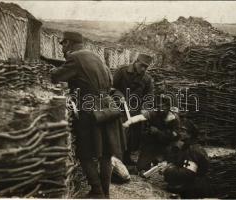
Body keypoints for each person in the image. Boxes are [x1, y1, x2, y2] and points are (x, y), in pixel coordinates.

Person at [50, 31, 126, 198]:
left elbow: (56, 77)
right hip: (108, 106)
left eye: (63, 44)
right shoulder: (96, 56)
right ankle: (105, 193)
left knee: (84, 153)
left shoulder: (75, 57)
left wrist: (50, 69)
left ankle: (97, 191)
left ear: (68, 43)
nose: (62, 47)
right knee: (106, 154)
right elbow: (109, 80)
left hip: (90, 109)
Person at [113, 53, 154, 165]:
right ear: (136, 61)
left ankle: (127, 158)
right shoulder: (122, 71)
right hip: (119, 109)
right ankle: (117, 158)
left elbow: (149, 96)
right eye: (142, 65)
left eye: (146, 67)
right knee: (120, 134)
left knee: (133, 137)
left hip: (135, 112)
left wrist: (145, 108)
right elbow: (112, 87)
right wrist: (119, 95)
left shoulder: (147, 79)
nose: (143, 69)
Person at [123, 95, 182, 171]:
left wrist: (158, 132)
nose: (160, 109)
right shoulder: (154, 113)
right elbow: (140, 117)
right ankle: (155, 159)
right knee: (141, 167)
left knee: (170, 164)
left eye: (163, 107)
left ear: (168, 107)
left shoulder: (174, 119)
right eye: (159, 107)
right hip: (153, 144)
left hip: (168, 145)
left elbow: (175, 137)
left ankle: (162, 160)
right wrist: (128, 122)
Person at [162, 119, 210, 199]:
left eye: (183, 131)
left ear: (190, 134)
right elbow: (180, 162)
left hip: (195, 188)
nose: (180, 133)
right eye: (179, 130)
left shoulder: (193, 149)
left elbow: (188, 173)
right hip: (192, 184)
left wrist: (167, 170)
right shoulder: (186, 146)